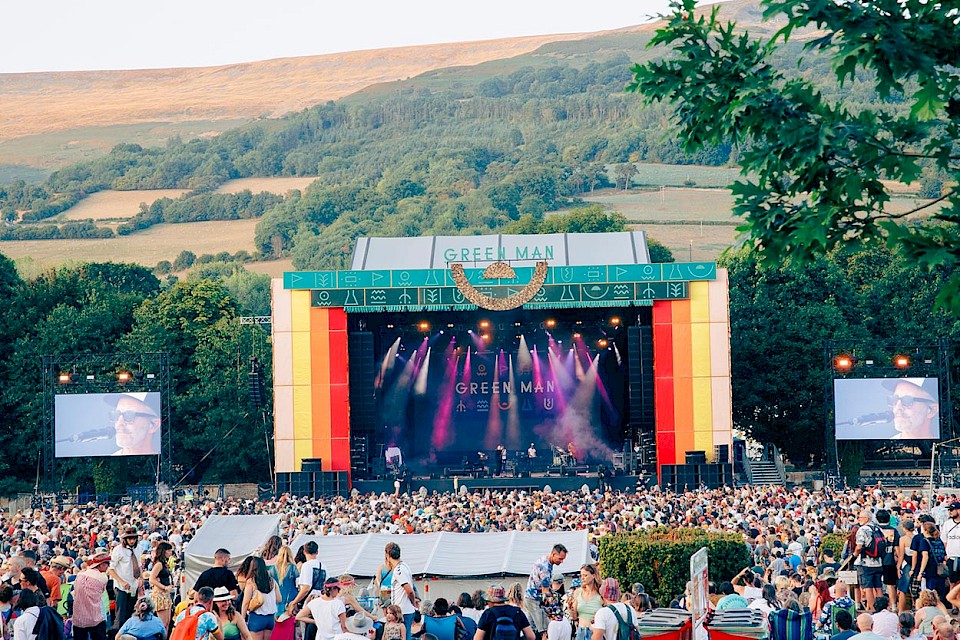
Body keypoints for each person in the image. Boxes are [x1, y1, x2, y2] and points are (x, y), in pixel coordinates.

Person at [524, 545, 567, 640]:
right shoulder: (545, 569)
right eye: (560, 559)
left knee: (531, 630)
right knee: (545, 631)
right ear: (553, 554)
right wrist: (554, 612)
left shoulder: (543, 559)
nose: (561, 561)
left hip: (529, 598)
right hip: (536, 600)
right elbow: (545, 593)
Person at [72, 551, 111, 640]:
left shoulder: (80, 575)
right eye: (107, 564)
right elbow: (101, 592)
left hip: (78, 617)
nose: (108, 567)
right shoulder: (103, 578)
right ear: (101, 565)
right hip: (95, 617)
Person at [111, 526, 144, 630]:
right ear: (125, 539)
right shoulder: (118, 550)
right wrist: (121, 581)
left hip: (133, 585)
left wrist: (141, 578)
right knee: (120, 615)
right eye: (130, 538)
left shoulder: (138, 549)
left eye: (134, 538)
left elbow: (139, 565)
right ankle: (118, 634)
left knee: (131, 613)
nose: (132, 541)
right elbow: (111, 569)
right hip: (121, 586)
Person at [240, 557, 279, 640]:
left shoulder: (251, 582)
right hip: (270, 619)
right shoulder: (272, 581)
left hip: (256, 618)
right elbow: (279, 599)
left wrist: (242, 619)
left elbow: (245, 603)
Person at [386, 543, 417, 640]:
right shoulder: (405, 566)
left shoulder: (398, 570)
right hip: (406, 610)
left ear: (388, 555)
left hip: (402, 611)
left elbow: (409, 590)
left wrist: (413, 602)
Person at [853, 509, 883, 612]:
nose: (859, 519)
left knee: (868, 587)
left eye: (860, 518)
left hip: (865, 563)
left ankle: (872, 609)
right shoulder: (878, 528)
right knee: (878, 587)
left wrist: (854, 555)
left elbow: (859, 547)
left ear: (866, 518)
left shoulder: (863, 530)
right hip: (878, 562)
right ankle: (882, 608)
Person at [266, 547, 297, 640]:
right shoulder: (293, 568)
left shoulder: (272, 569)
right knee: (288, 629)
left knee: (277, 629)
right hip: (290, 602)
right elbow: (298, 584)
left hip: (276, 602)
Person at [875, 510, 901, 610]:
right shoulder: (894, 530)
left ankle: (879, 605)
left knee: (877, 585)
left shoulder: (875, 530)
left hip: (875, 560)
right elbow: (897, 547)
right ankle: (893, 605)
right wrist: (899, 561)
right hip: (889, 559)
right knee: (890, 584)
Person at [569, 565, 601, 640]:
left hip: (595, 631)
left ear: (593, 576)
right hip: (581, 631)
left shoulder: (600, 594)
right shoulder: (578, 592)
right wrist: (570, 608)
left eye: (585, 575)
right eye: (581, 575)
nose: (582, 578)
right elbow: (574, 617)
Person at [149, 542, 175, 628]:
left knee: (167, 622)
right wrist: (164, 587)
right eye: (168, 550)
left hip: (165, 594)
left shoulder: (164, 564)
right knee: (163, 623)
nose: (170, 552)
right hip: (160, 594)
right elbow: (152, 579)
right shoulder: (159, 564)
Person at [942, 502, 960, 613]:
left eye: (952, 510)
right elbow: (944, 540)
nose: (950, 512)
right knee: (952, 582)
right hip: (952, 557)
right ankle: (954, 606)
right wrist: (947, 554)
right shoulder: (947, 524)